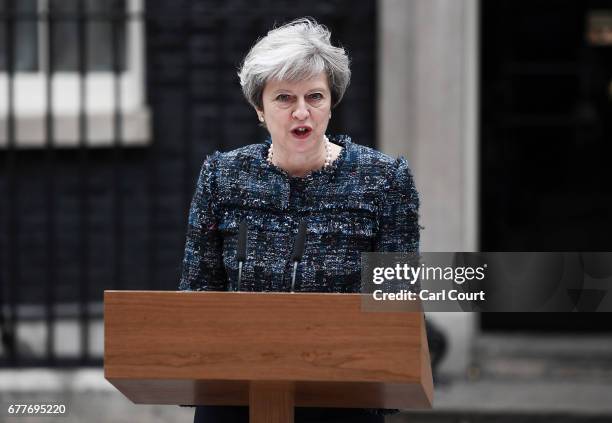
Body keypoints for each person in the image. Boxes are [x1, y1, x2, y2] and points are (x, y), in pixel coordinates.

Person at [179, 17, 421, 423]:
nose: (301, 112)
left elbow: (395, 306)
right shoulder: (222, 176)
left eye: (315, 96)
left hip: (342, 397)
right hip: (236, 396)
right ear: (259, 108)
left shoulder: (383, 180)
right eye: (284, 98)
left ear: (332, 102)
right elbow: (198, 296)